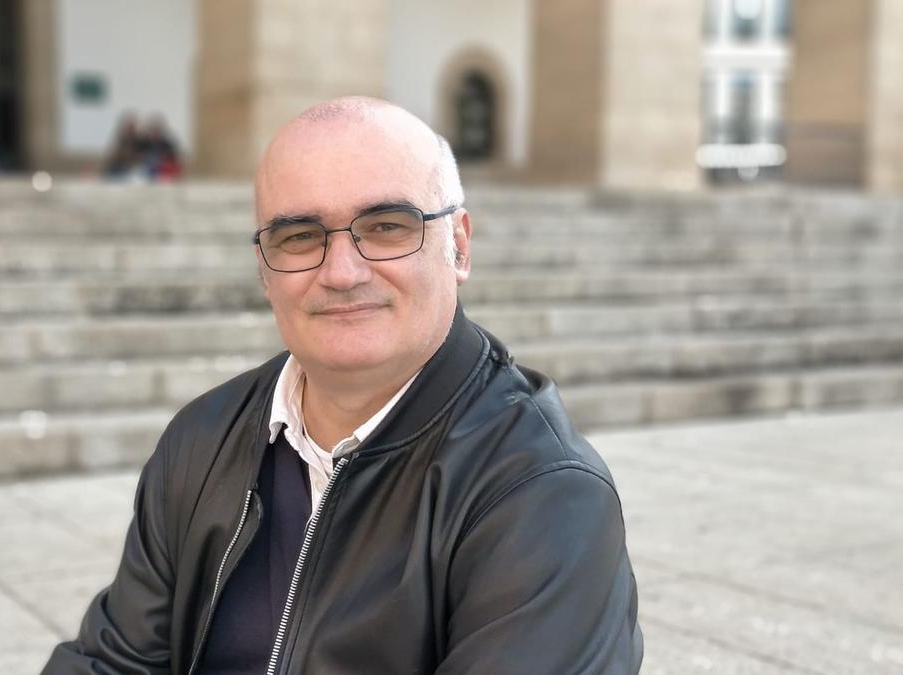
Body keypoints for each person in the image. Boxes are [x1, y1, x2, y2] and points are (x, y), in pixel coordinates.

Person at [43, 96, 642, 674]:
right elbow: (112, 660)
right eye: (299, 236)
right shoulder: (202, 438)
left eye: (386, 226)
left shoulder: (543, 494)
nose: (341, 272)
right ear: (263, 269)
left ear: (457, 246)